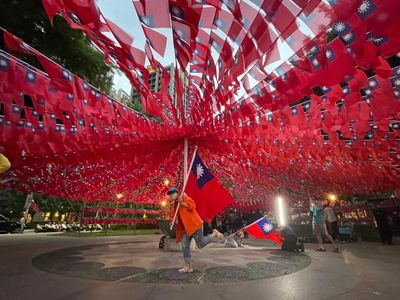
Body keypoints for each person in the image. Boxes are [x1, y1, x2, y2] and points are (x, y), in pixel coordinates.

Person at [168, 186, 224, 273]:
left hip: (195, 225)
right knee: (185, 245)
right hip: (187, 228)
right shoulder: (175, 203)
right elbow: (174, 214)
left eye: (172, 194)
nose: (170, 196)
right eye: (169, 194)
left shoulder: (185, 197)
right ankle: (188, 266)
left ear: (177, 193)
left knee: (201, 244)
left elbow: (192, 206)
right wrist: (172, 221)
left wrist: (182, 202)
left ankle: (214, 234)